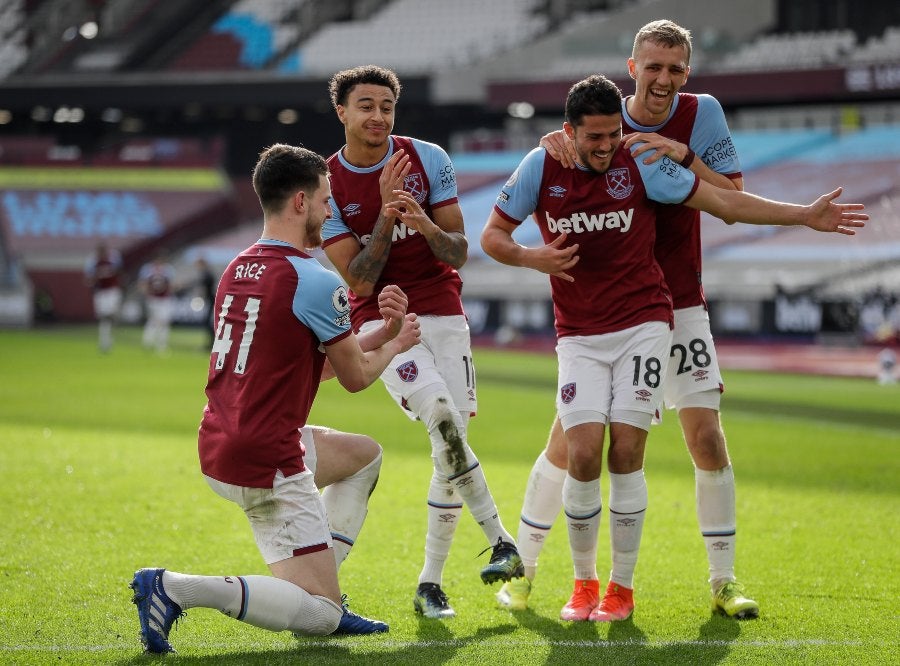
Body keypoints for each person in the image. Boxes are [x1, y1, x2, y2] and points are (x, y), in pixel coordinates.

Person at [481, 74, 866, 623]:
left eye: (614, 133)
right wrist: (529, 256)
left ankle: (643, 586)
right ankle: (560, 579)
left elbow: (725, 203)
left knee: (643, 448)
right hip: (580, 332)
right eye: (594, 137)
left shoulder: (644, 157)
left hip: (651, 319)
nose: (607, 144)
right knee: (578, 449)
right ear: (569, 131)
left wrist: (804, 215)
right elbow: (495, 235)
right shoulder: (542, 164)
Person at [497, 19, 766, 621]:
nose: (663, 79)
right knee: (571, 444)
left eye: (675, 69)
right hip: (604, 311)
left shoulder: (702, 115)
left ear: (686, 73)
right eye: (654, 68)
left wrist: (686, 155)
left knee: (705, 436)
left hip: (678, 300)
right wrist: (551, 142)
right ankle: (527, 568)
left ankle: (723, 580)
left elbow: (730, 198)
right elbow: (568, 148)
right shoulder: (600, 129)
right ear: (632, 69)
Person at [130, 144, 422, 653]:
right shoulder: (312, 278)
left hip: (223, 440)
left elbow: (302, 368)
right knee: (320, 614)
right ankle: (174, 587)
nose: (331, 212)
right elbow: (354, 379)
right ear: (301, 203)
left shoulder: (237, 269)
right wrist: (396, 342)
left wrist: (375, 336)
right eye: (327, 201)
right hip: (267, 456)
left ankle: (319, 584)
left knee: (364, 457)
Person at [321, 65, 523, 620]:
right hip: (380, 323)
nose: (378, 116)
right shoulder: (327, 183)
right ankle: (502, 539)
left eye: (387, 106)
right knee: (438, 411)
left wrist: (424, 225)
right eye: (366, 106)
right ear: (342, 112)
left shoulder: (429, 158)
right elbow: (358, 281)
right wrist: (387, 216)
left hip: (445, 314)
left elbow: (457, 252)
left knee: (447, 443)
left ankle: (429, 584)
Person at [84, 242, 124, 352]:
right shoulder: (92, 261)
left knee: (111, 312)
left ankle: (113, 319)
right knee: (103, 318)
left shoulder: (114, 259)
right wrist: (92, 281)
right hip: (100, 291)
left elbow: (119, 271)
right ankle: (104, 342)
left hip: (112, 290)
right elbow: (89, 278)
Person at [138, 253, 177, 353]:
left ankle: (159, 344)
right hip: (153, 298)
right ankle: (150, 343)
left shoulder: (168, 269)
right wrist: (147, 294)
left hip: (164, 299)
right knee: (155, 321)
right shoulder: (147, 269)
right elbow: (143, 284)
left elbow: (171, 284)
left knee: (163, 321)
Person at [195, 256, 217, 350]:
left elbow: (200, 284)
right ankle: (210, 344)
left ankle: (211, 344)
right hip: (211, 300)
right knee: (209, 323)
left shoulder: (206, 274)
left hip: (212, 301)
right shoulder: (207, 273)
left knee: (210, 323)